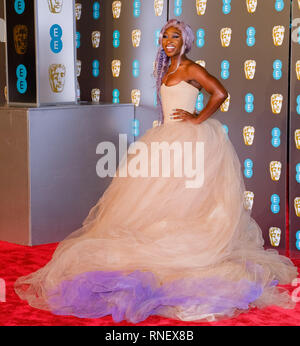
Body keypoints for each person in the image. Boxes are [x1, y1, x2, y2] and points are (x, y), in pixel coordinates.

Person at [14, 19, 298, 323]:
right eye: (165, 36)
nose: (169, 40)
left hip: (189, 141)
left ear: (185, 41)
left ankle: (187, 250)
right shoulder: (166, 69)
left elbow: (220, 92)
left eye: (175, 36)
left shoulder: (190, 68)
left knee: (188, 200)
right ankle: (164, 242)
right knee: (157, 202)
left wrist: (197, 118)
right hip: (165, 138)